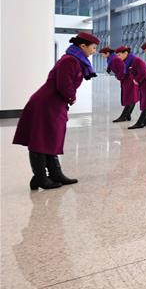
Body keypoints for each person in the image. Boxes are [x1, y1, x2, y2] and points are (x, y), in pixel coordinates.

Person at [13, 31, 100, 190]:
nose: (94, 51)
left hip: (54, 102)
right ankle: (40, 177)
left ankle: (55, 173)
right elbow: (63, 85)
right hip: (46, 103)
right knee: (41, 138)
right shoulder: (70, 61)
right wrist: (72, 97)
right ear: (82, 46)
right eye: (93, 47)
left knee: (52, 137)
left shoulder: (75, 60)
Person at [105, 47, 137, 123]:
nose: (118, 57)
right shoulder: (127, 58)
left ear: (125, 53)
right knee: (131, 97)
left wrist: (118, 76)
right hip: (129, 79)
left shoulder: (131, 58)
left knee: (130, 97)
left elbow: (123, 70)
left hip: (132, 80)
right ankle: (128, 115)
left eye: (119, 55)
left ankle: (123, 116)